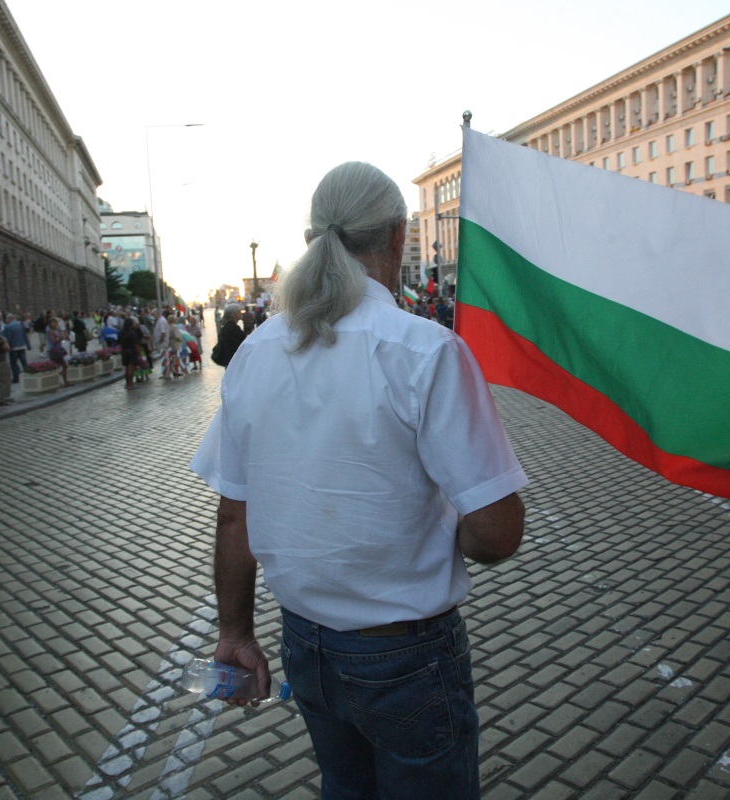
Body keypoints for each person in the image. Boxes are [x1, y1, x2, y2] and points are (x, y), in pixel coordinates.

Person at [190, 161, 527, 799]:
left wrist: (234, 633)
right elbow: (497, 533)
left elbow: (234, 514)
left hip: (304, 645)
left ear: (313, 235)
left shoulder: (258, 353)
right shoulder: (425, 350)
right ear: (398, 237)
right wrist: (427, 527)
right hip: (406, 655)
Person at [3, 314, 29, 382]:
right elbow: (24, 335)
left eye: (6, 319)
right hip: (22, 345)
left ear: (9, 319)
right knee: (24, 362)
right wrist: (28, 345)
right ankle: (28, 374)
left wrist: (9, 347)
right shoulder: (20, 324)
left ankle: (16, 377)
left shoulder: (8, 326)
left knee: (13, 363)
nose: (6, 320)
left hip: (14, 347)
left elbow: (9, 338)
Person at [46, 315, 70, 387]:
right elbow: (53, 341)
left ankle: (63, 382)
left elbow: (62, 337)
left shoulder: (56, 330)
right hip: (55, 350)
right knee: (63, 366)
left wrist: (63, 337)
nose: (55, 324)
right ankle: (63, 382)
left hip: (59, 349)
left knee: (61, 366)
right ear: (50, 324)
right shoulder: (51, 331)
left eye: (56, 322)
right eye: (53, 322)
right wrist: (59, 338)